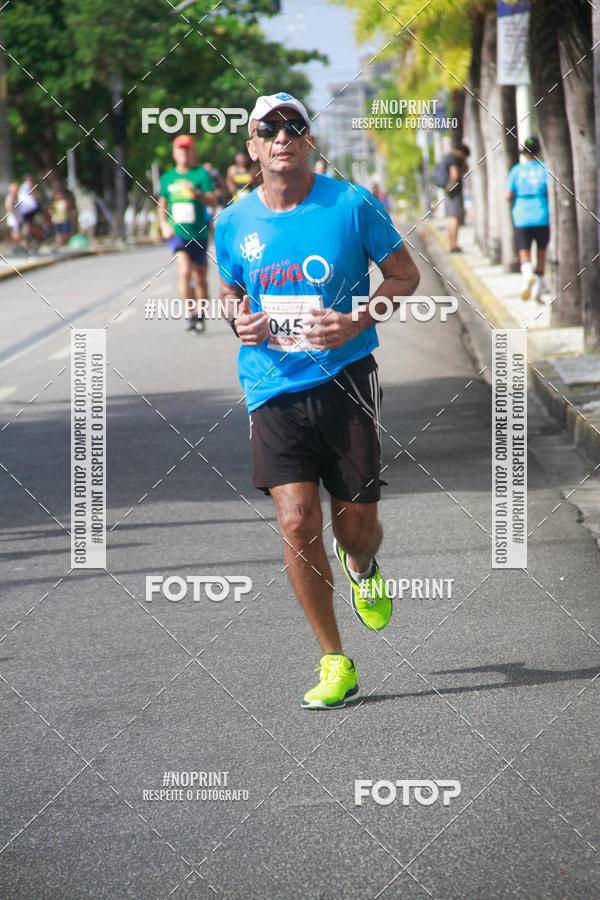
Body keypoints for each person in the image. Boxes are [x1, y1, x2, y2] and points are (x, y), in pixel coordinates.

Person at [215, 92, 420, 709]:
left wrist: (358, 318)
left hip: (346, 379)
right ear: (252, 147)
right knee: (297, 521)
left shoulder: (351, 203)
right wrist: (237, 320)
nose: (281, 137)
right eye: (267, 129)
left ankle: (362, 567)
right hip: (271, 387)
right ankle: (335, 659)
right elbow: (227, 291)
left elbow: (405, 275)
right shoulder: (232, 222)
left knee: (356, 526)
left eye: (293, 127)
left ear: (309, 141)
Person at [158, 134, 216, 332]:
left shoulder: (201, 175)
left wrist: (198, 194)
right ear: (174, 153)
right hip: (177, 233)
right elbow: (162, 205)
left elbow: (213, 201)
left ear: (193, 152)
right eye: (180, 149)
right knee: (183, 271)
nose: (184, 153)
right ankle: (190, 314)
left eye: (187, 149)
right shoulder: (167, 178)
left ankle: (201, 313)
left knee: (200, 277)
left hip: (198, 233)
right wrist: (163, 225)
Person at [504, 136, 549, 302]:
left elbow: (507, 195)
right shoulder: (545, 168)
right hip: (542, 214)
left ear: (524, 153)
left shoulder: (516, 170)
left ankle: (527, 277)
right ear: (538, 151)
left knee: (524, 252)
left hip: (522, 214)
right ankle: (537, 293)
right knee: (541, 253)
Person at [441, 144, 470, 253]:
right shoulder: (454, 159)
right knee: (454, 218)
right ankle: (454, 245)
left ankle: (452, 244)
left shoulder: (448, 156)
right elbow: (455, 175)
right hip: (453, 192)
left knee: (450, 218)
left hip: (448, 192)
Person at [17, 174, 41, 245]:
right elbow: (35, 195)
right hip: (32, 207)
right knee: (39, 220)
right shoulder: (29, 184)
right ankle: (39, 235)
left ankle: (27, 240)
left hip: (24, 209)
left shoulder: (21, 187)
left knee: (28, 224)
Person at [4, 182, 22, 249]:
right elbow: (10, 207)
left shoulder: (14, 196)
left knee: (15, 231)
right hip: (13, 218)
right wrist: (15, 217)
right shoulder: (11, 197)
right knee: (16, 231)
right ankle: (17, 246)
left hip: (14, 217)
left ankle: (16, 246)